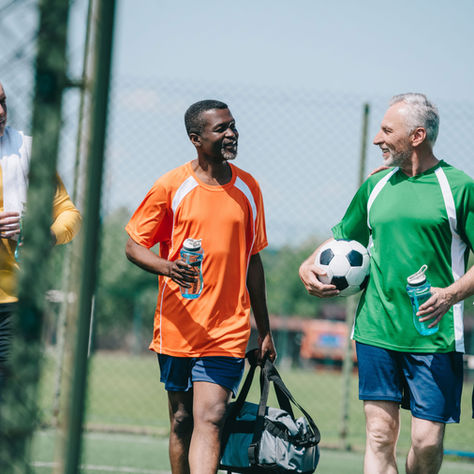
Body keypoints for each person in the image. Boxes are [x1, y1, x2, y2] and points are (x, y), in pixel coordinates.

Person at [299, 93, 473, 474]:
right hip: (376, 329)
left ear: (417, 136)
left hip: (435, 335)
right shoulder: (375, 186)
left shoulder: (458, 187)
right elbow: (344, 237)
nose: (378, 139)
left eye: (387, 130)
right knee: (379, 435)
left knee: (426, 443)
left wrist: (450, 294)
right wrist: (308, 263)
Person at [125, 99, 276, 474]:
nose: (231, 134)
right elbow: (133, 246)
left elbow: (253, 262)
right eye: (220, 129)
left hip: (227, 328)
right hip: (178, 326)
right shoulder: (171, 186)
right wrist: (168, 268)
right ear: (196, 138)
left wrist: (266, 330)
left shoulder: (249, 188)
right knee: (182, 420)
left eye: (233, 126)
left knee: (211, 417)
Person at [0, 81, 81, 392]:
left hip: (16, 303)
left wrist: (43, 235)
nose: (1, 112)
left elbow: (70, 215)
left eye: (4, 102)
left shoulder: (27, 150)